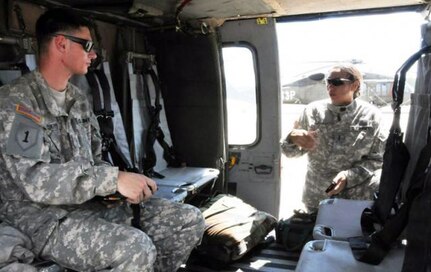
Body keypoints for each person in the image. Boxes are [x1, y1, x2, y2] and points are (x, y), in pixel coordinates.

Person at [0, 8, 205, 271]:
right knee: (134, 247)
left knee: (188, 219)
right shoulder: (19, 104)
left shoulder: (78, 101)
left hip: (88, 206)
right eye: (87, 45)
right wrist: (111, 180)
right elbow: (34, 180)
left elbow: (94, 159)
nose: (93, 54)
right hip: (41, 219)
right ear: (61, 44)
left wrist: (118, 188)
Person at [281, 64, 387, 212]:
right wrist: (291, 138)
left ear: (355, 85)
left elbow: (378, 159)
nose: (331, 86)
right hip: (316, 200)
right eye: (328, 82)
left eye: (337, 82)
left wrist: (348, 177)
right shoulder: (312, 111)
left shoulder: (372, 116)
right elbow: (290, 152)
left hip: (354, 201)